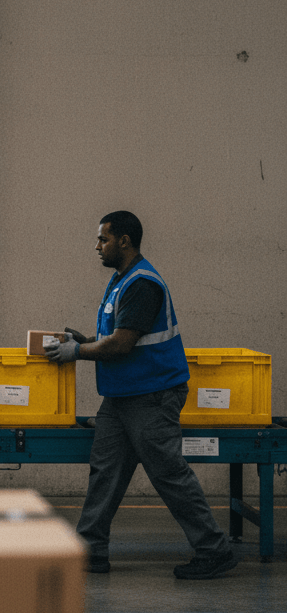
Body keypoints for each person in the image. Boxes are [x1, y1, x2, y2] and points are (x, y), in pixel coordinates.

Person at [46, 210, 235, 579]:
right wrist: (84, 341)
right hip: (122, 396)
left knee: (168, 473)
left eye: (103, 239)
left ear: (124, 241)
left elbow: (122, 343)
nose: (97, 246)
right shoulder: (122, 280)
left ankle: (214, 549)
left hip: (151, 395)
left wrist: (77, 353)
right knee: (106, 471)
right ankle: (91, 550)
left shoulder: (142, 284)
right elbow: (117, 336)